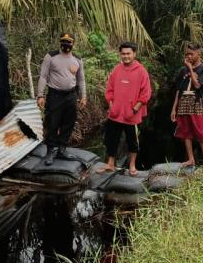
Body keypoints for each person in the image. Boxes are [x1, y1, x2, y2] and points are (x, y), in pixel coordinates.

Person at [99, 41, 151, 176]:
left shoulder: (141, 71)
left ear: (134, 54)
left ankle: (132, 165)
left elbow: (146, 93)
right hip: (115, 113)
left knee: (132, 141)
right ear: (120, 54)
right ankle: (110, 163)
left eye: (128, 53)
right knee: (111, 139)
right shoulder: (117, 69)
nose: (126, 56)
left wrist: (136, 108)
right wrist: (111, 104)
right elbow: (109, 89)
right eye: (123, 54)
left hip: (131, 115)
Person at [37, 32, 87, 166]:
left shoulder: (77, 59)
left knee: (68, 122)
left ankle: (62, 149)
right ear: (60, 42)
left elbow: (81, 79)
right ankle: (50, 151)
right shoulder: (51, 56)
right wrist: (40, 95)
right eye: (63, 41)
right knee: (52, 123)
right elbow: (43, 76)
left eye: (69, 41)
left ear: (73, 43)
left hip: (71, 96)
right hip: (55, 95)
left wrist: (83, 96)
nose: (66, 44)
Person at [170, 43, 203, 169]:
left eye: (191, 54)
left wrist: (190, 68)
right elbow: (178, 90)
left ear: (198, 54)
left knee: (200, 132)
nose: (188, 56)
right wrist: (174, 109)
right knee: (185, 132)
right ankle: (191, 159)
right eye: (187, 54)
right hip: (183, 102)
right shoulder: (182, 70)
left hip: (196, 102)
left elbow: (198, 85)